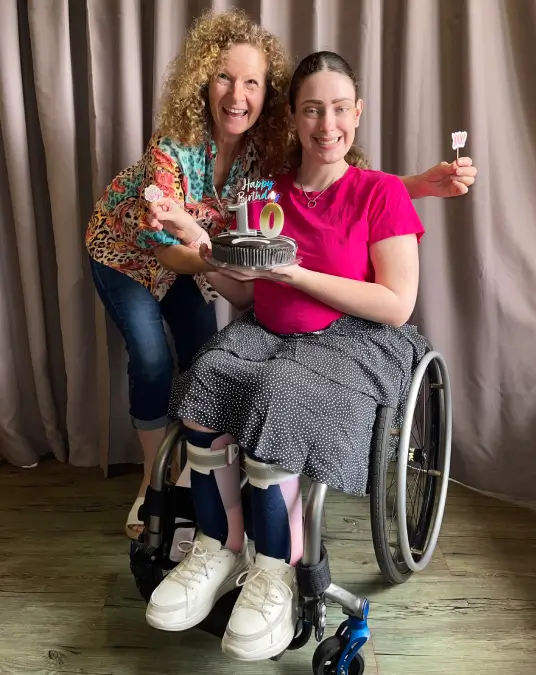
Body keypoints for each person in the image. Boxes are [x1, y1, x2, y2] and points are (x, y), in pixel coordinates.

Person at [86, 9, 476, 539]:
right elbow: (184, 259)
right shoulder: (202, 161)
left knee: (233, 363)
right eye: (225, 77)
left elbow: (351, 185)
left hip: (272, 301)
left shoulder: (272, 159)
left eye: (251, 82)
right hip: (133, 252)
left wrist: (417, 186)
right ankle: (175, 508)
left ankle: (263, 546)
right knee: (172, 362)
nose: (237, 94)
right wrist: (210, 252)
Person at [143, 50, 460, 663]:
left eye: (339, 109)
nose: (327, 124)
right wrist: (214, 258)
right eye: (312, 110)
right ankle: (218, 545)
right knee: (208, 376)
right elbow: (249, 290)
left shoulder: (382, 192)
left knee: (279, 394)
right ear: (293, 117)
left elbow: (395, 304)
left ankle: (276, 570)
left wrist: (298, 274)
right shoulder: (270, 194)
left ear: (358, 113)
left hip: (359, 339)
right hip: (268, 330)